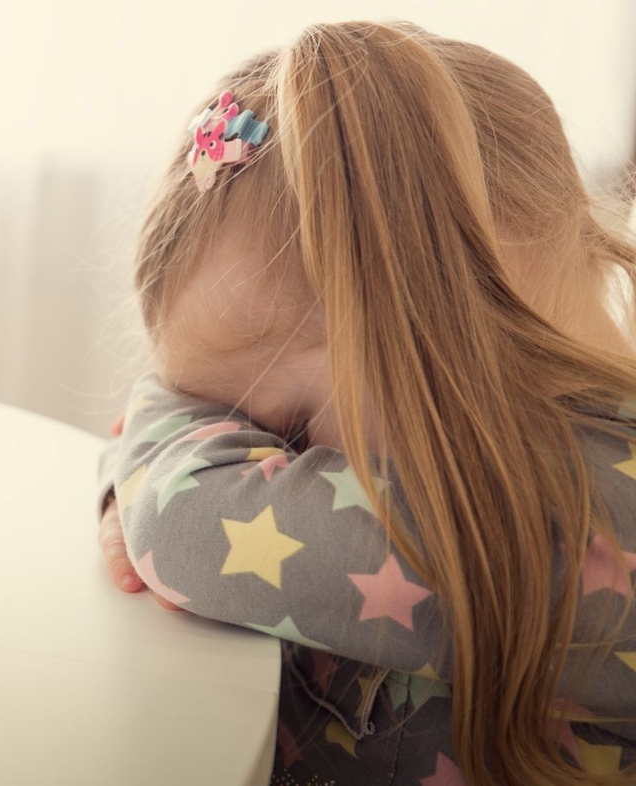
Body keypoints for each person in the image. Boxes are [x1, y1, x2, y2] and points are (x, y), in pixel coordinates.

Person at [97, 21, 636, 786]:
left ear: (440, 310)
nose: (270, 467)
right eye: (242, 428)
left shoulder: (580, 516)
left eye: (280, 429)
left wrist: (146, 450)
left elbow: (177, 522)